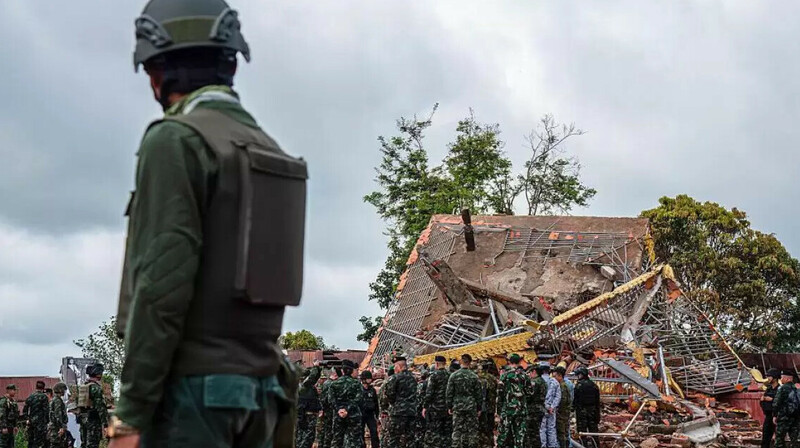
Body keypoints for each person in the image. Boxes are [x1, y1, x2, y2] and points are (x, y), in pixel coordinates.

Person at [111, 1, 308, 447]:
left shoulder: (176, 140)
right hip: (261, 397)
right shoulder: (267, 148)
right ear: (230, 62)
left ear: (159, 71)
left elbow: (161, 288)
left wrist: (130, 415)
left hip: (192, 399)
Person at [446, 354, 482, 448]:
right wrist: (479, 407)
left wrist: (449, 406)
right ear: (470, 363)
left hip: (457, 406)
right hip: (471, 405)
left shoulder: (453, 376)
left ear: (461, 362)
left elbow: (449, 393)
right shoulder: (474, 376)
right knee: (472, 430)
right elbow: (479, 394)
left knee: (457, 430)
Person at [384, 355, 418, 448]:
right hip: (411, 412)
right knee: (411, 438)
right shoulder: (413, 378)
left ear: (399, 367)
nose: (395, 369)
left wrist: (394, 403)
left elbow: (389, 394)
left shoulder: (395, 378)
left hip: (398, 413)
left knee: (394, 438)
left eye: (395, 366)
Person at [497, 354, 529, 448]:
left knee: (503, 434)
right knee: (519, 435)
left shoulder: (504, 376)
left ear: (509, 362)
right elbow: (530, 392)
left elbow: (500, 394)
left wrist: (499, 411)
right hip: (521, 409)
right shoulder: (524, 376)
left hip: (507, 409)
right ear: (519, 362)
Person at [330, 361, 363, 448]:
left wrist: (339, 410)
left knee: (337, 439)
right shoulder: (356, 383)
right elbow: (359, 399)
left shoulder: (334, 383)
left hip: (338, 415)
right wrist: (347, 409)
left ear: (343, 371)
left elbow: (330, 400)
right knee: (354, 440)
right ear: (351, 371)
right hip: (353, 415)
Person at [77, 364, 109, 448]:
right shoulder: (95, 388)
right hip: (93, 421)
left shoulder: (83, 386)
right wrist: (105, 425)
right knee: (93, 445)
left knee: (84, 444)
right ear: (99, 374)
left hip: (83, 420)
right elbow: (101, 408)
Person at [424, 355, 451, 448]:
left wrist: (425, 406)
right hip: (448, 408)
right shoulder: (450, 375)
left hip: (436, 409)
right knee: (447, 432)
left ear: (436, 364)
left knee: (436, 431)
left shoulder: (434, 376)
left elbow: (429, 393)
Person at [572, 367, 600, 448]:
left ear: (581, 375)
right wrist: (597, 415)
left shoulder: (579, 386)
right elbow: (597, 402)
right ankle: (596, 446)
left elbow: (575, 400)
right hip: (593, 412)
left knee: (582, 432)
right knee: (594, 432)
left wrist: (572, 408)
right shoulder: (594, 386)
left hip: (581, 412)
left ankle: (583, 446)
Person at [297, 362, 323, 448]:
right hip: (307, 416)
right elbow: (312, 377)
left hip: (306, 416)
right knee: (307, 439)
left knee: (303, 439)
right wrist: (315, 366)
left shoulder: (306, 386)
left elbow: (314, 377)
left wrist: (318, 368)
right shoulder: (304, 386)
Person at [773, 369, 799, 448]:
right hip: (795, 418)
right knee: (795, 439)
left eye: (782, 377)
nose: (781, 379)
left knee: (779, 439)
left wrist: (774, 415)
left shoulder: (782, 388)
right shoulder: (796, 389)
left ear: (787, 379)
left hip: (784, 418)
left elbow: (776, 403)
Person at [477, 359, 498, 448]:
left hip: (481, 408)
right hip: (491, 408)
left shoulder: (478, 378)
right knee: (490, 428)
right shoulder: (493, 378)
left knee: (481, 429)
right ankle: (490, 444)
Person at [540, 363, 561, 448]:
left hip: (542, 408)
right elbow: (558, 396)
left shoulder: (539, 381)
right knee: (551, 429)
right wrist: (552, 406)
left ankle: (543, 445)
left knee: (542, 429)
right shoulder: (555, 381)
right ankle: (552, 445)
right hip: (551, 410)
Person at [23, 380, 50, 448]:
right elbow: (46, 411)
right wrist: (47, 421)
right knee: (39, 442)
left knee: (31, 441)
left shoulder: (30, 397)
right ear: (43, 388)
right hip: (41, 423)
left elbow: (25, 410)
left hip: (31, 422)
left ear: (36, 387)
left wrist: (27, 419)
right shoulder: (44, 397)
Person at [526, 364, 547, 448]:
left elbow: (530, 395)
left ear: (534, 372)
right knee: (536, 431)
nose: (529, 375)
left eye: (530, 372)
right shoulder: (543, 381)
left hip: (533, 409)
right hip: (540, 408)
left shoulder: (535, 382)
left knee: (531, 432)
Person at [321, 368, 342, 448]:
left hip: (328, 409)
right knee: (329, 430)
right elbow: (326, 399)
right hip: (330, 409)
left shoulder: (327, 383)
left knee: (327, 429)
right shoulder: (330, 383)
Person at [762, 369, 782, 448]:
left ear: (775, 377)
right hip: (768, 416)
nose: (768, 378)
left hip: (777, 416)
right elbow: (763, 400)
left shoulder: (780, 389)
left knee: (779, 439)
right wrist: (764, 399)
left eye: (769, 376)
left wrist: (772, 399)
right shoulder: (769, 388)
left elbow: (781, 402)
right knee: (765, 437)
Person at [553, 367, 572, 448]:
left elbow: (563, 401)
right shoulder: (566, 385)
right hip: (566, 413)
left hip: (562, 413)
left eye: (555, 376)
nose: (554, 378)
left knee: (561, 433)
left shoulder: (561, 386)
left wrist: (557, 410)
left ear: (559, 376)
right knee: (565, 432)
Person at [360, 371, 380, 448]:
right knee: (361, 433)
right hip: (361, 414)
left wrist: (377, 415)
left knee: (374, 432)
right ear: (364, 379)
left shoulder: (372, 390)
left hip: (370, 414)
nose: (370, 380)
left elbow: (376, 403)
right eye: (368, 378)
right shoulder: (359, 389)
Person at [48, 383, 69, 448]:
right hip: (56, 428)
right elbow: (58, 415)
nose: (64, 392)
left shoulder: (55, 400)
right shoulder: (57, 401)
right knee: (57, 445)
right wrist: (61, 427)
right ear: (60, 390)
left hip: (54, 427)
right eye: (64, 390)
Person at [415, 370, 430, 448]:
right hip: (428, 410)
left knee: (419, 429)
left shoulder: (420, 385)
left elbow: (417, 398)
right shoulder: (430, 384)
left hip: (420, 410)